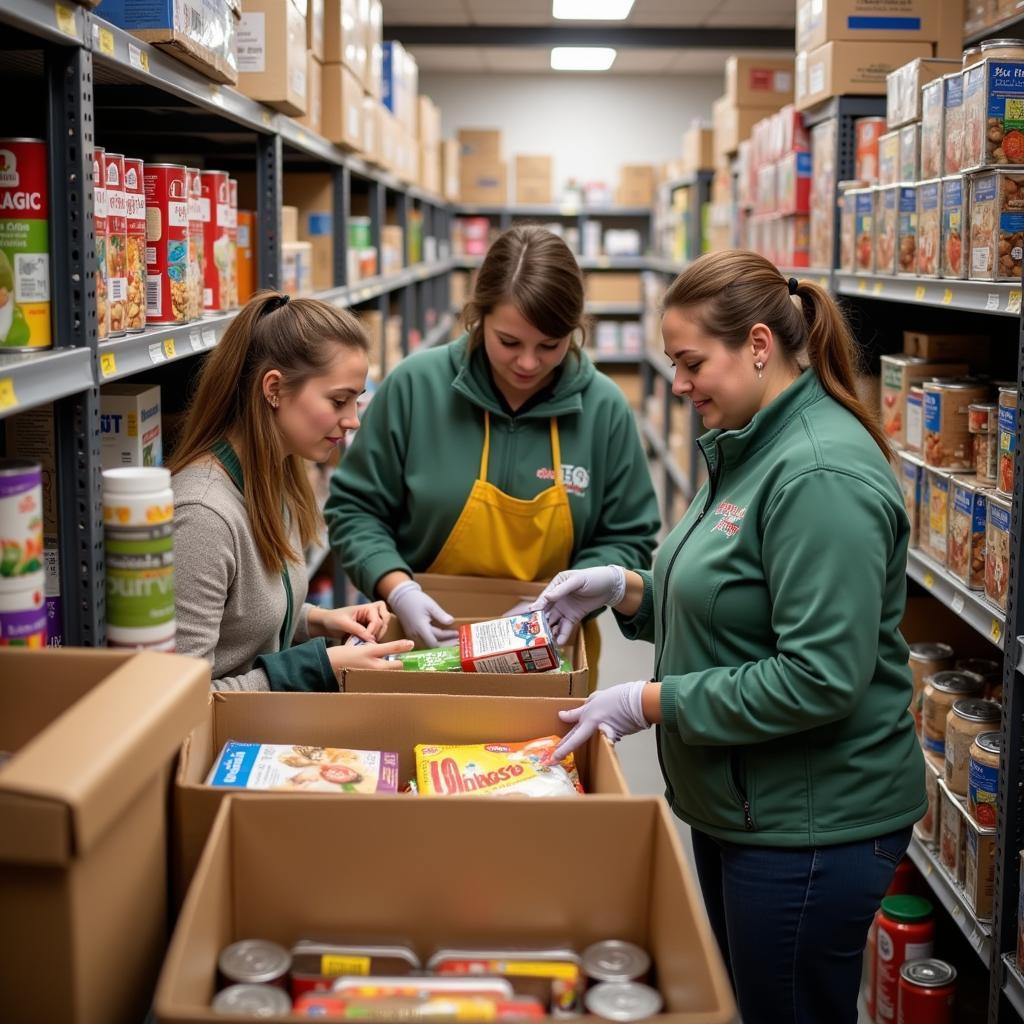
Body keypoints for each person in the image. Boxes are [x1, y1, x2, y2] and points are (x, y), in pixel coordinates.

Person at [532, 251, 926, 1024]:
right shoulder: (751, 441)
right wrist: (627, 589)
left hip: (812, 827)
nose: (678, 385)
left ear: (755, 344)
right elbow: (733, 600)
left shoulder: (817, 474)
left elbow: (820, 677)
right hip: (749, 809)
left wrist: (649, 701)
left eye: (690, 363)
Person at [325, 225, 660, 666]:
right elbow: (355, 510)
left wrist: (573, 596)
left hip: (550, 649)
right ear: (478, 316)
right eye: (509, 341)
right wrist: (397, 586)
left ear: (575, 331)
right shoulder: (415, 386)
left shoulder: (604, 409)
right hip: (418, 648)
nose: (527, 362)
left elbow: (628, 535)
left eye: (549, 345)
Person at [170, 291, 414, 691]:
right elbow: (183, 703)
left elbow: (241, 621)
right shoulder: (201, 516)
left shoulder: (273, 477)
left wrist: (320, 620)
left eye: (356, 401)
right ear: (274, 389)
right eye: (339, 401)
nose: (352, 421)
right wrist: (319, 665)